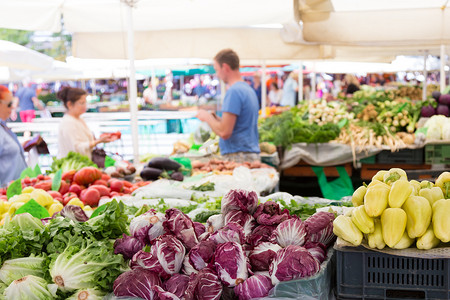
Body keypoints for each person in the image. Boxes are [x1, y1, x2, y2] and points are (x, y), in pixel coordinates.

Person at [196, 49, 260, 163]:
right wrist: (218, 120)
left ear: (225, 67)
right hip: (249, 155)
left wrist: (207, 117)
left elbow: (225, 132)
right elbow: (241, 124)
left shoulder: (234, 91)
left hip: (238, 157)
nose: (217, 74)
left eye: (217, 69)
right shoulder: (247, 89)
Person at [57, 87, 113, 159]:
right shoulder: (68, 122)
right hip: (73, 166)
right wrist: (98, 141)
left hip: (83, 163)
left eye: (85, 102)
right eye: (81, 103)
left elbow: (86, 142)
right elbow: (77, 147)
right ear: (69, 104)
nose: (85, 106)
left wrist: (99, 140)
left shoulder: (79, 119)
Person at [0, 86, 27, 186]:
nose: (12, 107)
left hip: (15, 193)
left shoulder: (3, 126)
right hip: (6, 195)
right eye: (9, 104)